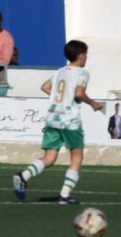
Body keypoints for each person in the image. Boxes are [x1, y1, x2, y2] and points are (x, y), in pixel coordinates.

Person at [13, 40, 107, 205]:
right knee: (76, 158)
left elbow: (45, 87)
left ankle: (23, 176)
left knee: (49, 158)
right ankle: (64, 195)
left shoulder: (59, 71)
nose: (86, 57)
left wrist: (60, 100)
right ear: (80, 56)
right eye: (85, 54)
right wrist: (93, 103)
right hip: (70, 121)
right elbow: (79, 93)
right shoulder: (82, 73)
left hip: (52, 118)